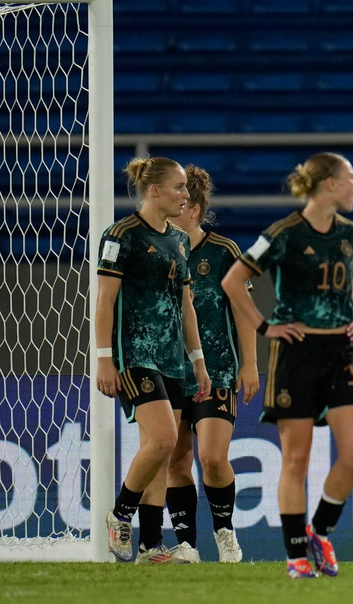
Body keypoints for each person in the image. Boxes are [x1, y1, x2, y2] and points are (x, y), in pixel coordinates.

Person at [222, 152, 353, 579]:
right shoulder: (284, 233)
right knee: (296, 460)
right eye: (351, 177)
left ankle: (319, 532)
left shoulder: (352, 234)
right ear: (328, 183)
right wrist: (265, 326)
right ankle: (295, 558)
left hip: (339, 351)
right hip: (296, 352)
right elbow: (233, 280)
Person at [98, 156, 211, 564]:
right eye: (179, 187)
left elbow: (186, 305)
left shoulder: (179, 240)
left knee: (160, 451)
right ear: (154, 191)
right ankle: (119, 515)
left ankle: (150, 546)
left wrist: (197, 359)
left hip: (172, 359)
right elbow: (105, 301)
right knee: (164, 438)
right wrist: (104, 359)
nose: (186, 194)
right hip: (134, 354)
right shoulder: (121, 235)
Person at [162, 165, 257, 564]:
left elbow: (243, 312)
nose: (171, 213)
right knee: (175, 458)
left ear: (196, 209)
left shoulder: (223, 252)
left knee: (213, 457)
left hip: (216, 369)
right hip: (169, 371)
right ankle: (187, 545)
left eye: (180, 206)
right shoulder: (158, 251)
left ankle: (225, 532)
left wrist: (249, 364)